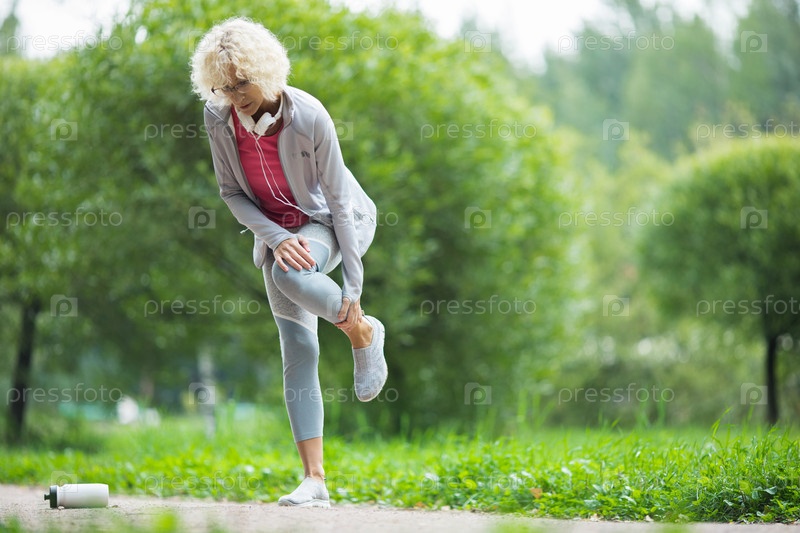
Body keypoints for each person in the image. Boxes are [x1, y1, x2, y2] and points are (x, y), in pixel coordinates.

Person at [190, 17, 387, 508]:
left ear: (265, 70)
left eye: (241, 82)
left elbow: (339, 203)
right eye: (223, 87)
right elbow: (231, 192)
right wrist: (276, 237)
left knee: (289, 272)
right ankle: (314, 480)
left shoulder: (310, 116)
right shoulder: (219, 118)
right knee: (297, 348)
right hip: (277, 233)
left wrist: (354, 288)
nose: (234, 96)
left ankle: (362, 329)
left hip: (330, 221)